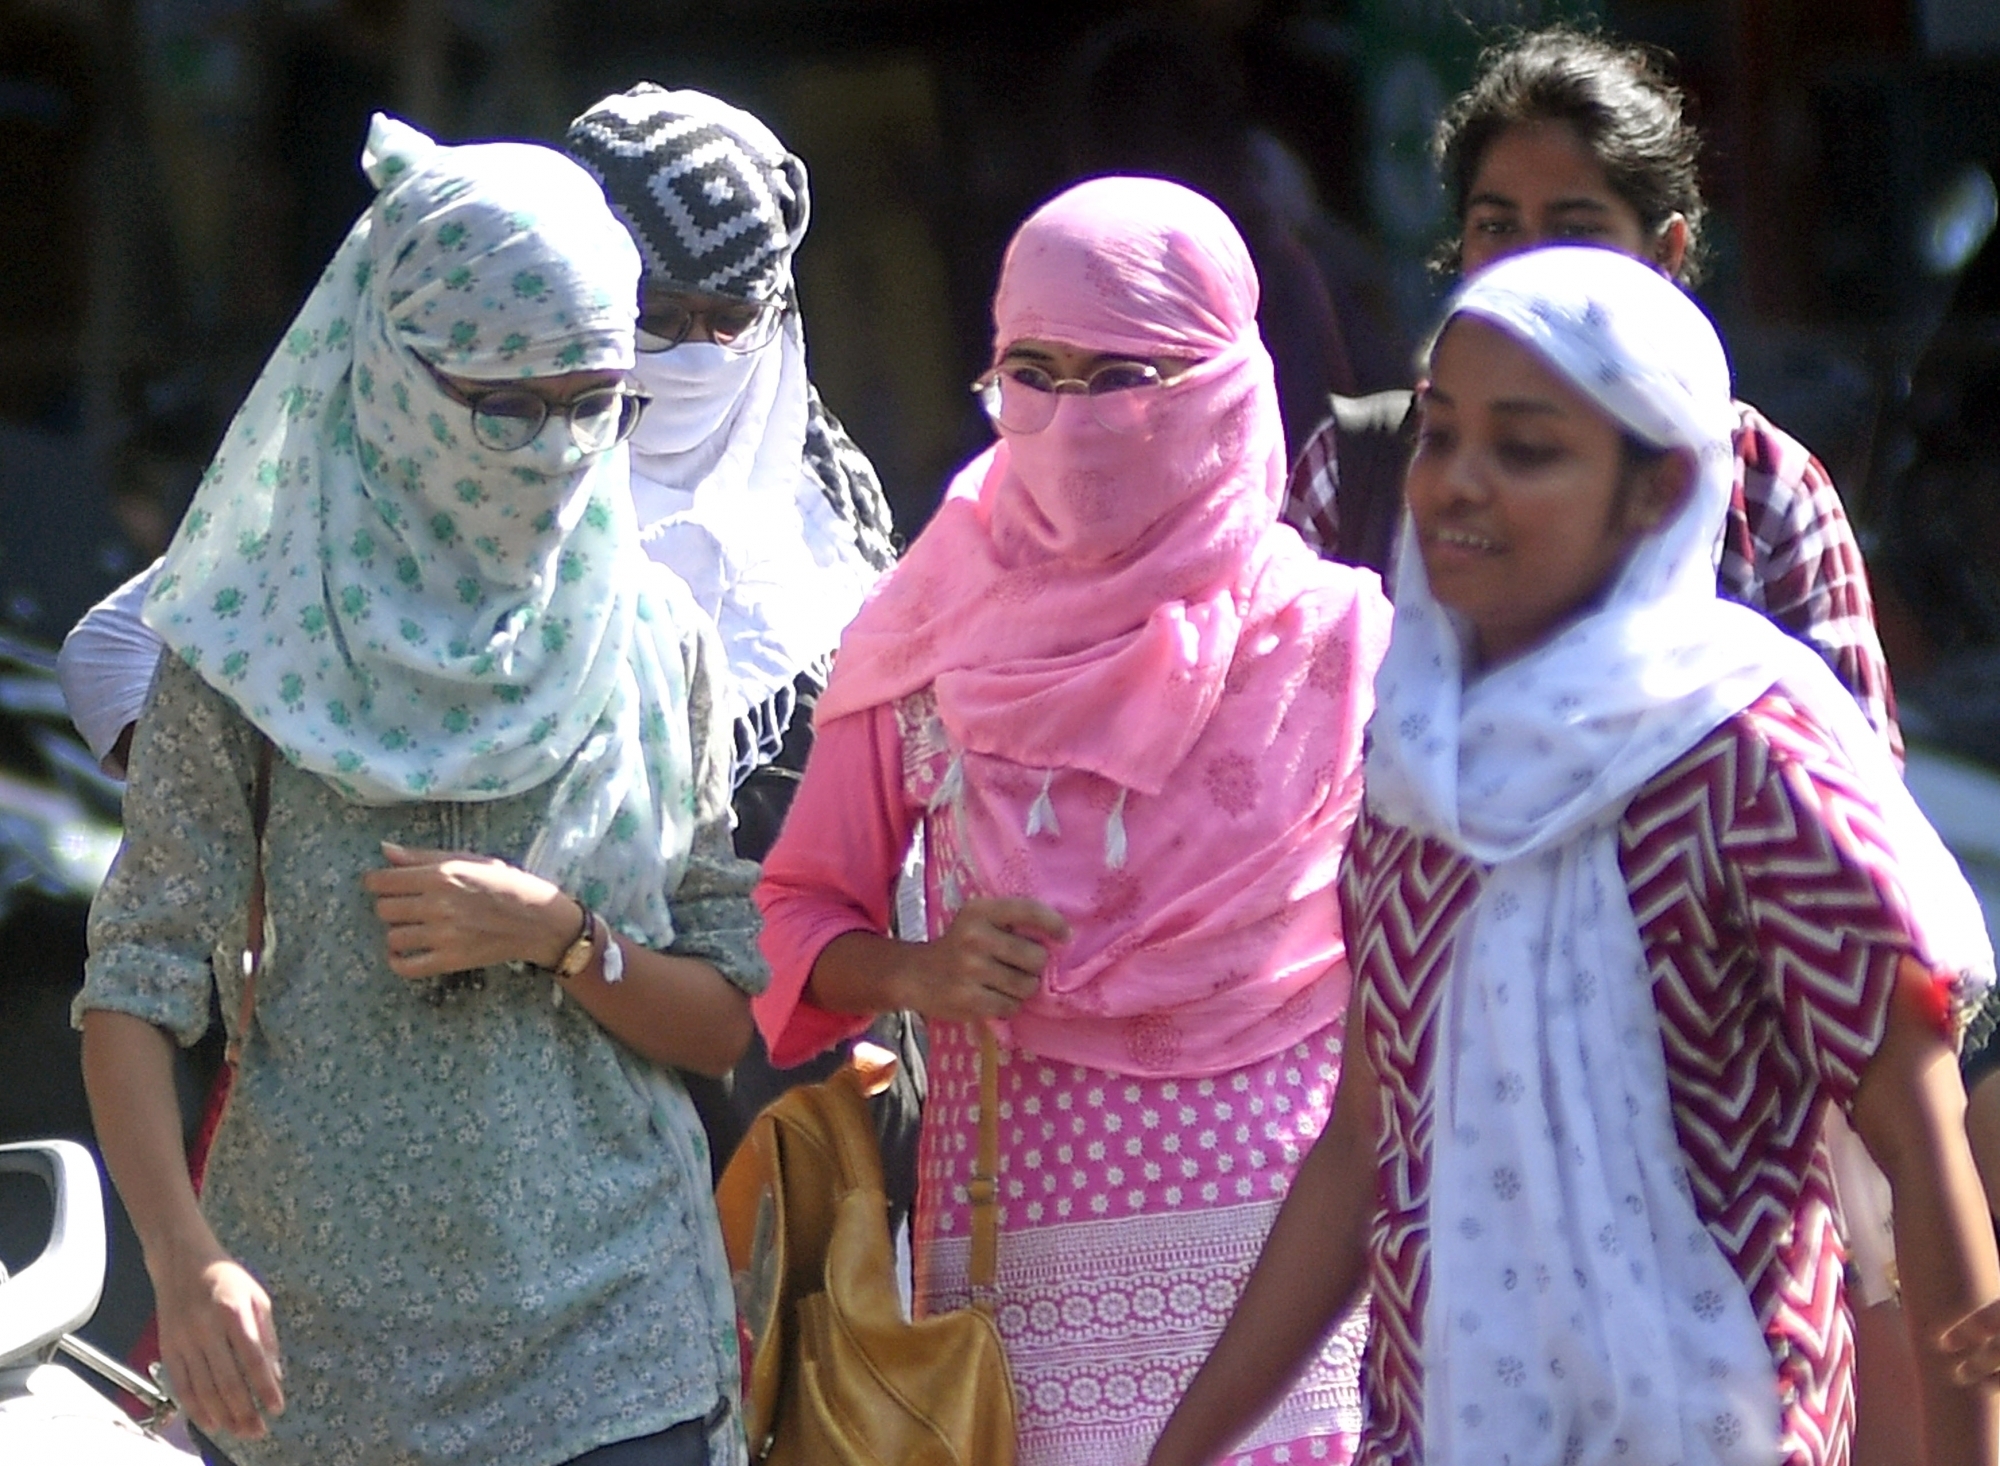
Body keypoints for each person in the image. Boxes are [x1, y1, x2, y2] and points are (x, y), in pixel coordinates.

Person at [1148, 245, 2000, 1466]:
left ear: (1657, 488)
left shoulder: (1746, 764)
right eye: (1439, 436)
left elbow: (1924, 1153)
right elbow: (1361, 1145)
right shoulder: (1411, 780)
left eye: (1527, 447)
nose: (1457, 484)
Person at [59, 83, 914, 1187]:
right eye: (659, 316)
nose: (697, 359)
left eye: (732, 320)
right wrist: (269, 848)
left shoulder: (822, 528)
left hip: (761, 1115)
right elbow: (128, 652)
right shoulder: (432, 493)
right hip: (450, 1129)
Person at [77, 115, 764, 1466]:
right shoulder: (249, 654)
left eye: (594, 403)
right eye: (503, 404)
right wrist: (181, 1253)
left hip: (621, 1358)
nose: (556, 451)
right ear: (390, 374)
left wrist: (561, 937)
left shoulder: (654, 632)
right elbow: (132, 990)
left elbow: (723, 1017)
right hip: (319, 1371)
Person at [753, 176, 1393, 1465]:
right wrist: (917, 972)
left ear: (1218, 379)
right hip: (1020, 1286)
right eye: (1029, 371)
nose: (1069, 418)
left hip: (1295, 1273)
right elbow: (792, 913)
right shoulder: (930, 632)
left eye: (1121, 375)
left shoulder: (1340, 640)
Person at [1278, 27, 1902, 756]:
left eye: (1576, 229)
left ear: (1664, 252)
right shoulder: (1357, 472)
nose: (1532, 264)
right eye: (1496, 226)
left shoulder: (1761, 488)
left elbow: (1855, 788)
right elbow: (1278, 783)